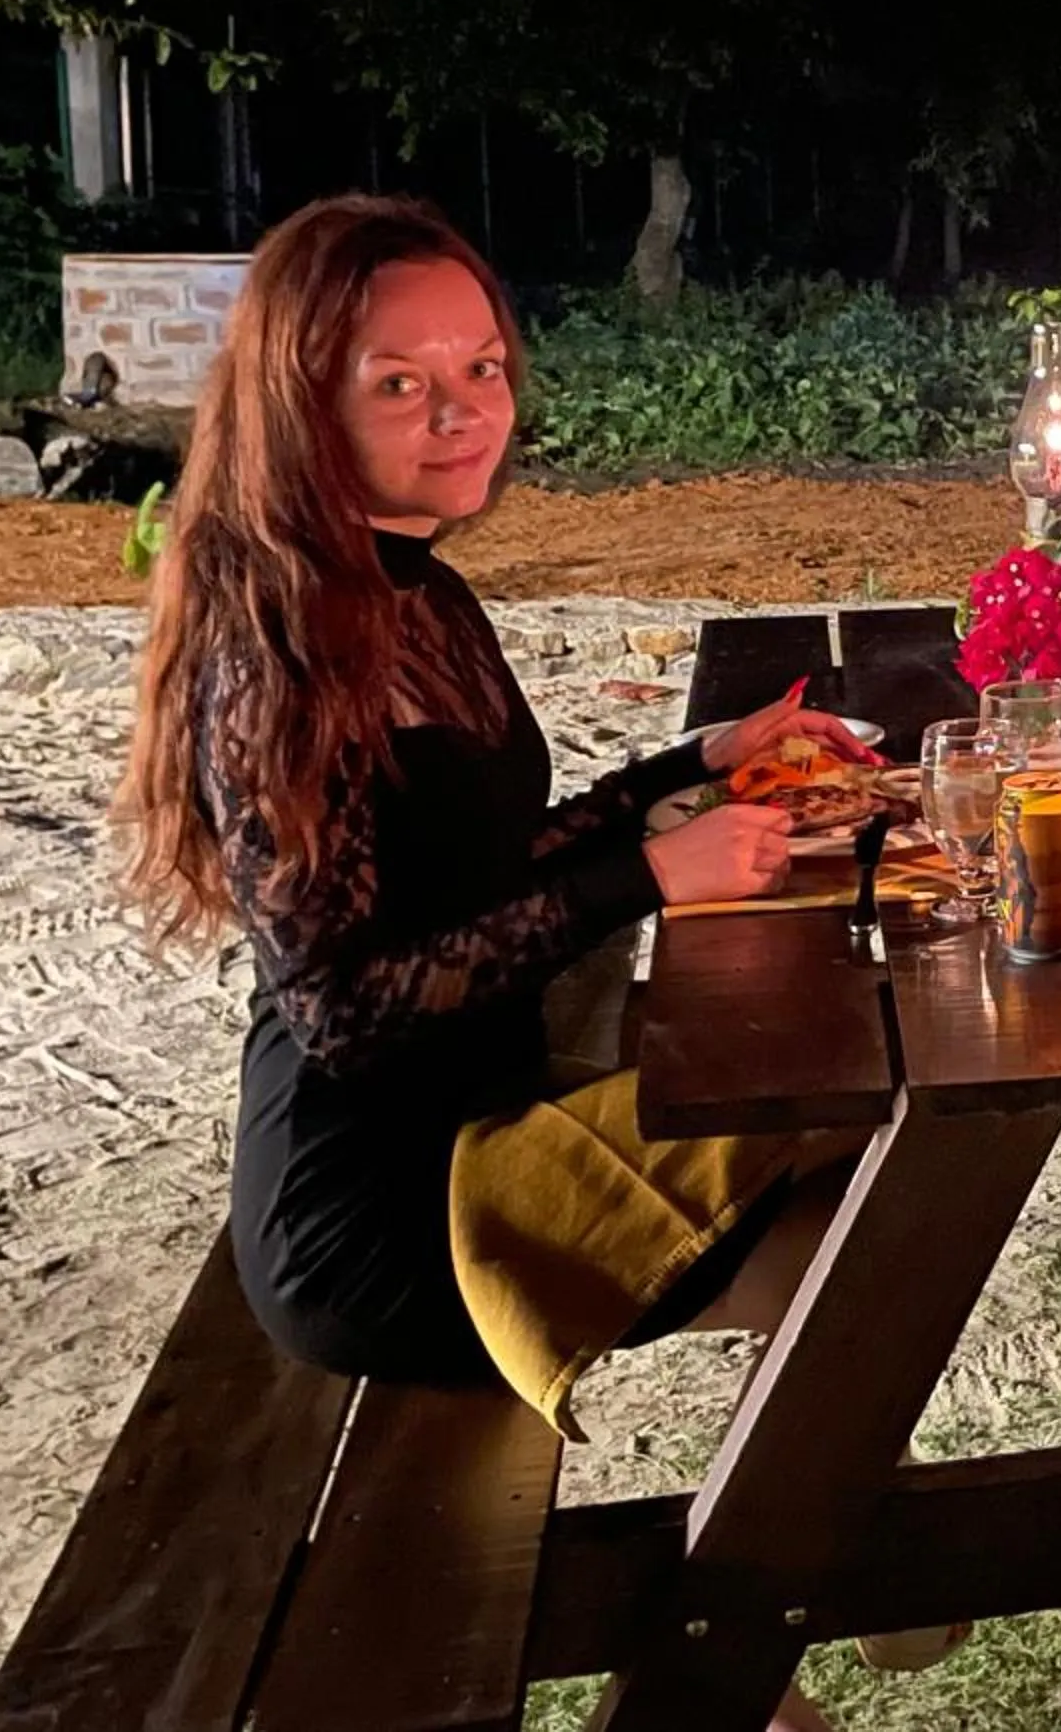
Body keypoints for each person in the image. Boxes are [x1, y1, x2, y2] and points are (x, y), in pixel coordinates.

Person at [116, 194, 928, 1730]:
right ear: (301, 397)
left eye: (480, 367)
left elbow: (492, 855)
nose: (459, 412)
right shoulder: (282, 640)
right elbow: (347, 1008)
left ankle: (786, 1583)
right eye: (399, 381)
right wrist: (645, 871)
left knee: (854, 1164)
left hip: (468, 1117)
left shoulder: (402, 580)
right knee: (846, 1179)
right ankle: (788, 1592)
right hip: (378, 1207)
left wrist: (698, 759)